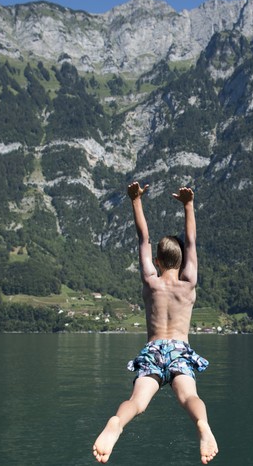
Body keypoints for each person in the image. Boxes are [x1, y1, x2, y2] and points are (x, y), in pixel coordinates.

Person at [92, 181, 218, 464]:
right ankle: (202, 424)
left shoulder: (151, 282)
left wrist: (135, 200)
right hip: (180, 350)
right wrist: (188, 205)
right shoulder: (188, 283)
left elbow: (143, 238)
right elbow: (192, 240)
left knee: (137, 402)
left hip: (153, 349)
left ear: (157, 261)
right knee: (188, 397)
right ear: (183, 259)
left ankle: (116, 424)